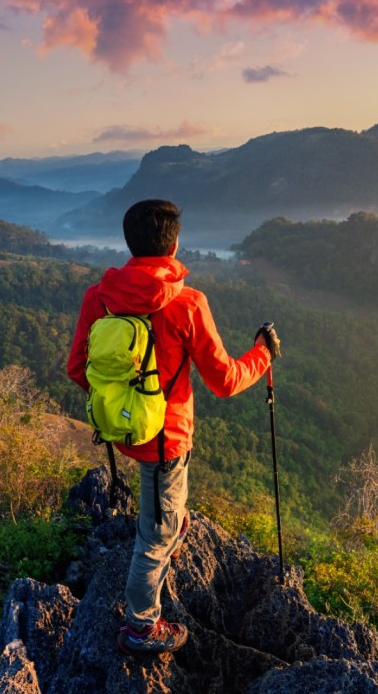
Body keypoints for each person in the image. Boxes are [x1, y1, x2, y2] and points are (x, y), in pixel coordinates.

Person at [67, 199, 280, 655]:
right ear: (174, 244)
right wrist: (262, 355)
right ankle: (141, 627)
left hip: (124, 432)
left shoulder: (99, 297)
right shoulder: (188, 303)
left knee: (165, 510)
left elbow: (77, 368)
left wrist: (121, 404)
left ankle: (172, 524)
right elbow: (223, 381)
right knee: (153, 537)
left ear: (129, 243)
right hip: (167, 440)